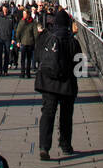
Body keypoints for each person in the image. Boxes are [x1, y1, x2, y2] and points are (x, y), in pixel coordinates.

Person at [34, 9, 82, 160]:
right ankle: (65, 145)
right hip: (67, 85)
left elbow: (37, 56)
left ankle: (44, 147)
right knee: (66, 116)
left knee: (47, 114)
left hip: (48, 83)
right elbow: (80, 69)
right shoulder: (74, 42)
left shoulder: (47, 38)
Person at [15, 7, 38, 78]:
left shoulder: (28, 22)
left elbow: (35, 33)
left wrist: (18, 40)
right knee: (25, 59)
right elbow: (18, 32)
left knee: (27, 59)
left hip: (29, 43)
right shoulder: (28, 22)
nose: (24, 15)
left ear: (28, 14)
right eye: (23, 14)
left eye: (25, 14)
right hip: (24, 43)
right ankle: (25, 73)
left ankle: (25, 73)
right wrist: (18, 41)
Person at [0, 4, 14, 75]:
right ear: (2, 8)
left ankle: (5, 70)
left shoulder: (11, 17)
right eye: (4, 8)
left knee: (7, 54)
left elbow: (14, 27)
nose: (5, 9)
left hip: (8, 38)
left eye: (6, 8)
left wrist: (13, 38)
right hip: (0, 38)